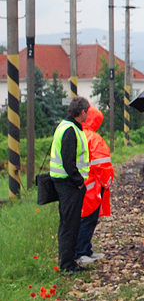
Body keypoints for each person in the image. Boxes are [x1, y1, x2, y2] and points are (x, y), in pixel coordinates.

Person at [49, 96, 91, 273]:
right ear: (82, 112)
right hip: (69, 184)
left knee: (69, 223)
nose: (87, 115)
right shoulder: (70, 130)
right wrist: (79, 181)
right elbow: (68, 161)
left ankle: (69, 261)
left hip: (66, 183)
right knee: (70, 224)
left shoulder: (66, 126)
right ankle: (67, 264)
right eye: (86, 112)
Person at [76, 106, 114, 265]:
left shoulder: (77, 134)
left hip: (78, 184)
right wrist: (107, 182)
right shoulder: (94, 138)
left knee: (80, 218)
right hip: (92, 185)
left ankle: (84, 249)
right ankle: (82, 251)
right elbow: (102, 164)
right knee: (89, 218)